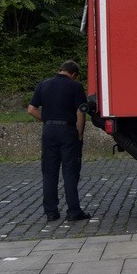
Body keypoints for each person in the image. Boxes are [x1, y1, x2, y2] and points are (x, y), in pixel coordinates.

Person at [27, 60, 90, 222]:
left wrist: (46, 120)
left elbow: (31, 109)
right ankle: (73, 211)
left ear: (60, 70)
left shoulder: (44, 84)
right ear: (74, 74)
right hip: (68, 131)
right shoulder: (75, 87)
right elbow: (81, 113)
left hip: (49, 131)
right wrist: (80, 134)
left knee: (49, 172)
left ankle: (51, 212)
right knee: (70, 172)